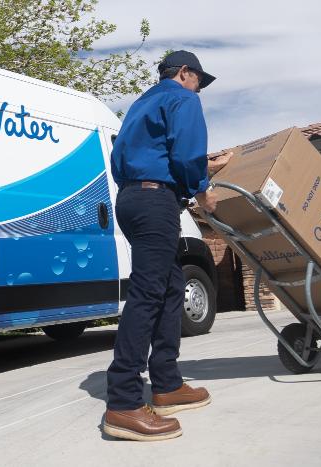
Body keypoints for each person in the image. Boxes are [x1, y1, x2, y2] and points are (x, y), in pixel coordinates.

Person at [104, 50, 229, 442]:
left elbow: (138, 157)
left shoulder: (141, 104)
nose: (199, 90)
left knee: (172, 289)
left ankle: (167, 384)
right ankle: (123, 402)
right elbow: (186, 154)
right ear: (185, 73)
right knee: (148, 293)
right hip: (156, 201)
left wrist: (201, 169)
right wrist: (204, 187)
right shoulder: (182, 98)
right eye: (199, 81)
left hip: (132, 198)